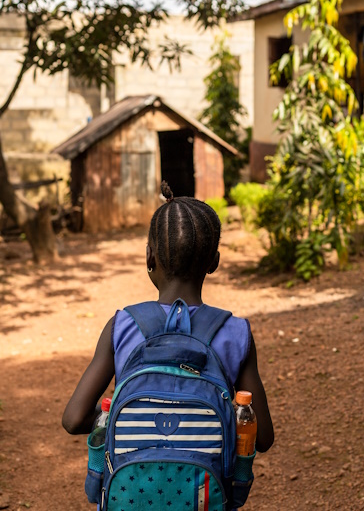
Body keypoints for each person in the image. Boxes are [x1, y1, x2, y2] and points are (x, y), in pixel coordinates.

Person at [62, 182, 274, 502]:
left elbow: (74, 419)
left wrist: (131, 417)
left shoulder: (122, 326)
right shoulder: (236, 332)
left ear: (149, 257)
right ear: (214, 262)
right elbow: (264, 437)